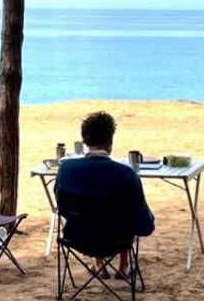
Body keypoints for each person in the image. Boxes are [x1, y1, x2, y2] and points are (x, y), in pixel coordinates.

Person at [54, 110, 154, 277]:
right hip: (117, 240)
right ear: (110, 141)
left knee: (93, 210)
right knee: (121, 213)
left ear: (85, 140)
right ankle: (124, 265)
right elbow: (145, 226)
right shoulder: (126, 174)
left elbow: (61, 207)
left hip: (77, 238)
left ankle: (100, 265)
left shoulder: (65, 170)